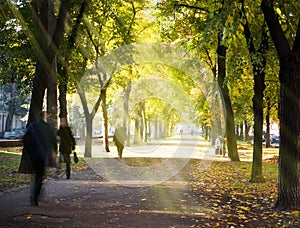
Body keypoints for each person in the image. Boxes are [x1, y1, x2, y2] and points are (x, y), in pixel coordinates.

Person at [22, 111, 57, 206]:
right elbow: (53, 140)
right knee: (39, 176)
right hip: (42, 155)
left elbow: (25, 139)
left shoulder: (33, 126)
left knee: (36, 175)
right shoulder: (47, 127)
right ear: (45, 117)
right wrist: (54, 152)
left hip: (33, 155)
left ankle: (35, 193)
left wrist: (28, 151)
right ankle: (35, 196)